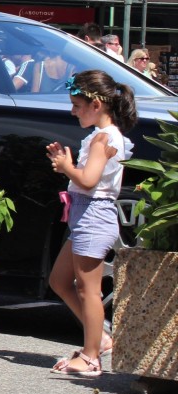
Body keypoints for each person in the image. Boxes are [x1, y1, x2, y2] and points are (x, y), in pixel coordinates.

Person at [45, 70, 137, 378]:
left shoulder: (102, 139)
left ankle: (91, 355)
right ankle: (99, 339)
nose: (72, 111)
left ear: (96, 104)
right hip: (85, 216)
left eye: (76, 105)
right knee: (60, 281)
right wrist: (68, 164)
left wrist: (66, 167)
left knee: (88, 290)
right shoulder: (104, 137)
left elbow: (88, 179)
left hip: (94, 216)